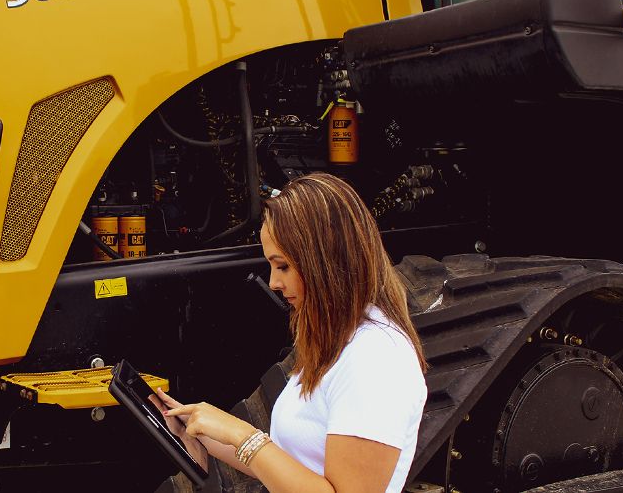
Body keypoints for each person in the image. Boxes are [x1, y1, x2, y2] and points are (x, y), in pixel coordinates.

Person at [155, 172, 428, 493]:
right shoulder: (336, 343)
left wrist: (243, 436)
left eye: (282, 265)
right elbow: (291, 467)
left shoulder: (376, 359)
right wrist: (203, 430)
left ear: (323, 259)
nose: (273, 282)